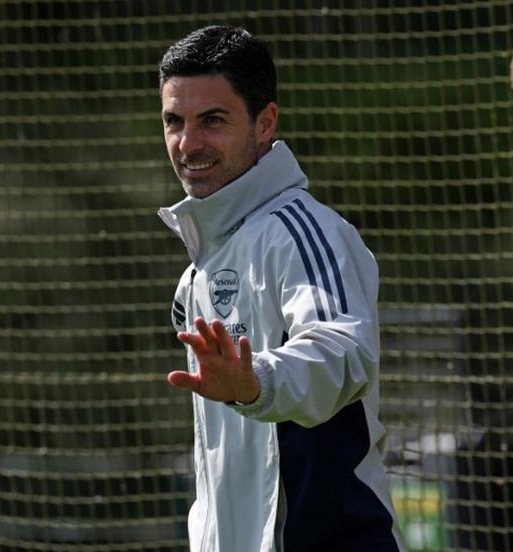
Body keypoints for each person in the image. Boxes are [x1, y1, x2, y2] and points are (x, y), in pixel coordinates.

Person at [156, 26, 406, 551]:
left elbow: (343, 351)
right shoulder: (195, 276)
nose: (188, 143)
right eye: (174, 122)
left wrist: (257, 382)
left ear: (265, 123)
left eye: (213, 121)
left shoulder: (302, 231)